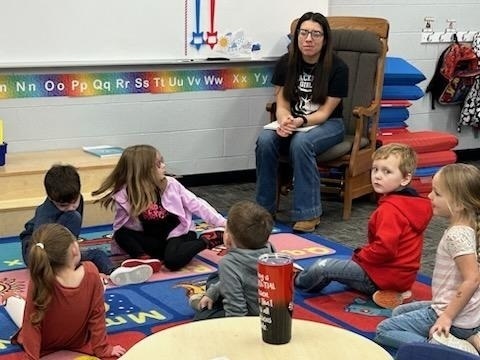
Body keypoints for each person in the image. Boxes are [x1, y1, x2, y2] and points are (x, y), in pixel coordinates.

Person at [295, 143, 433, 308]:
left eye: (386, 171)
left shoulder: (391, 209)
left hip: (382, 275)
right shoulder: (411, 203)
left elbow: (385, 249)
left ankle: (296, 279)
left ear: (405, 178)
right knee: (344, 265)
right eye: (375, 169)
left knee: (324, 267)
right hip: (402, 278)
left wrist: (362, 255)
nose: (377, 176)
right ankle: (389, 293)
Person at [255, 11, 349, 233]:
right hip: (293, 121)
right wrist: (284, 119)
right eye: (304, 33)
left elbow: (325, 112)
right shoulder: (286, 62)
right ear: (296, 36)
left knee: (301, 143)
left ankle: (309, 213)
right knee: (265, 140)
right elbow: (282, 100)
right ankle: (264, 209)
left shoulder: (338, 67)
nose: (309, 39)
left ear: (325, 39)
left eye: (316, 34)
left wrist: (300, 122)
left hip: (328, 125)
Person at [375, 163, 480, 355]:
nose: (430, 196)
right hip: (465, 316)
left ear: (458, 204)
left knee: (384, 330)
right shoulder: (468, 227)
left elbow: (472, 279)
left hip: (453, 316)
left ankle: (443, 350)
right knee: (399, 312)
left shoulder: (456, 236)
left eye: (437, 194)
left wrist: (447, 317)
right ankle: (470, 336)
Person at [91, 144, 226, 271]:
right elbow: (121, 225)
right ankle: (143, 258)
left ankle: (207, 240)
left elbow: (197, 204)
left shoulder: (171, 185)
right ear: (144, 171)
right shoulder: (126, 193)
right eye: (158, 164)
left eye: (162, 162)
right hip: (153, 239)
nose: (163, 166)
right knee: (121, 234)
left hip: (178, 235)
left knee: (172, 262)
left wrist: (221, 222)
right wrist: (120, 247)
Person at [19, 164, 151, 286]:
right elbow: (39, 248)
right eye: (63, 206)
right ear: (51, 199)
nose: (71, 207)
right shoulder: (45, 215)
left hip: (60, 244)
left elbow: (72, 234)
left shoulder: (77, 199)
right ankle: (65, 269)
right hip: (37, 252)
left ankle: (114, 272)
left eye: (73, 202)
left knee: (97, 254)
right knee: (73, 219)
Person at [11, 223, 126, 359]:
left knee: (24, 309)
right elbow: (97, 315)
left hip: (45, 343)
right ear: (74, 249)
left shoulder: (40, 279)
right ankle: (10, 298)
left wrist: (32, 358)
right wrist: (103, 349)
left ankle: (10, 298)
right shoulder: (91, 271)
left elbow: (32, 324)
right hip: (77, 341)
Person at [189, 200, 275, 319]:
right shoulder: (269, 248)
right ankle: (211, 295)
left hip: (252, 316)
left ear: (228, 239)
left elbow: (237, 312)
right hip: (271, 309)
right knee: (216, 277)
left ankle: (206, 303)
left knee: (202, 316)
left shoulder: (228, 264)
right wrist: (212, 293)